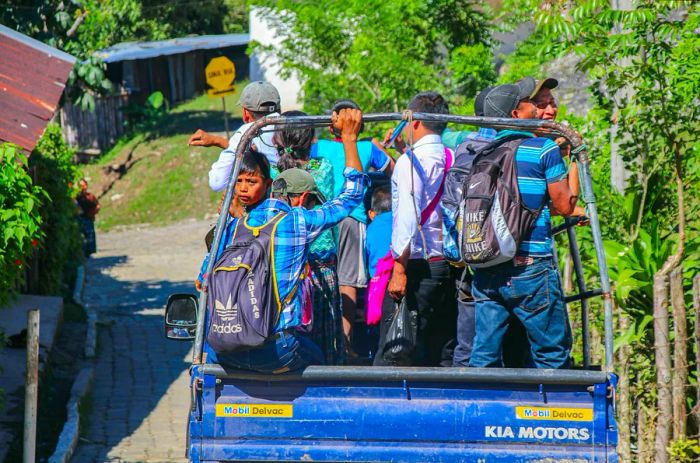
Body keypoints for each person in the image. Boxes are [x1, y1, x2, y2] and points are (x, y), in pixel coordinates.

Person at [196, 108, 367, 373]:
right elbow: (351, 197)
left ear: (266, 186)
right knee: (324, 363)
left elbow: (202, 281)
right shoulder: (295, 222)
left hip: (227, 352)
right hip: (275, 351)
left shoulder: (232, 227)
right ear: (302, 199)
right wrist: (349, 139)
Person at [468, 80, 582, 369]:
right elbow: (563, 206)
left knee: (484, 355)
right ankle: (551, 412)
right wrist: (575, 157)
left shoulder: (484, 152)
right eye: (532, 103)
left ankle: (478, 411)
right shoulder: (542, 149)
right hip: (531, 267)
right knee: (551, 353)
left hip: (487, 266)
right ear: (517, 114)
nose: (539, 108)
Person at [377, 91, 457, 367]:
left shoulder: (409, 163)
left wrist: (399, 270)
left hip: (417, 264)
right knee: (440, 344)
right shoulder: (450, 156)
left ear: (414, 123)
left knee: (397, 348)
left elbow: (408, 218)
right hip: (447, 263)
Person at [311, 99, 394, 358]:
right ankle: (345, 342)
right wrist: (380, 146)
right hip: (354, 217)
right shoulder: (369, 147)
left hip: (323, 220)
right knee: (348, 281)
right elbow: (394, 170)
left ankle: (323, 337)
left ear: (331, 123)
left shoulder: (318, 148)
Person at [272, 110, 344, 365]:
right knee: (326, 340)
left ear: (277, 140)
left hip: (283, 269)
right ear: (311, 138)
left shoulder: (272, 173)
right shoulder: (323, 167)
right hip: (321, 266)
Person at [188, 81, 282, 191]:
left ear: (246, 113)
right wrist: (217, 141)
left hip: (269, 202)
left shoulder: (247, 132)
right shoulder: (298, 124)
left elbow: (217, 182)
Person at [76, 178, 100, 257]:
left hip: (88, 219)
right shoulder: (76, 197)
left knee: (89, 238)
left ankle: (88, 253)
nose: (83, 187)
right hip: (79, 219)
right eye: (81, 186)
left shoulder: (90, 196)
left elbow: (97, 206)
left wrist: (93, 212)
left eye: (84, 185)